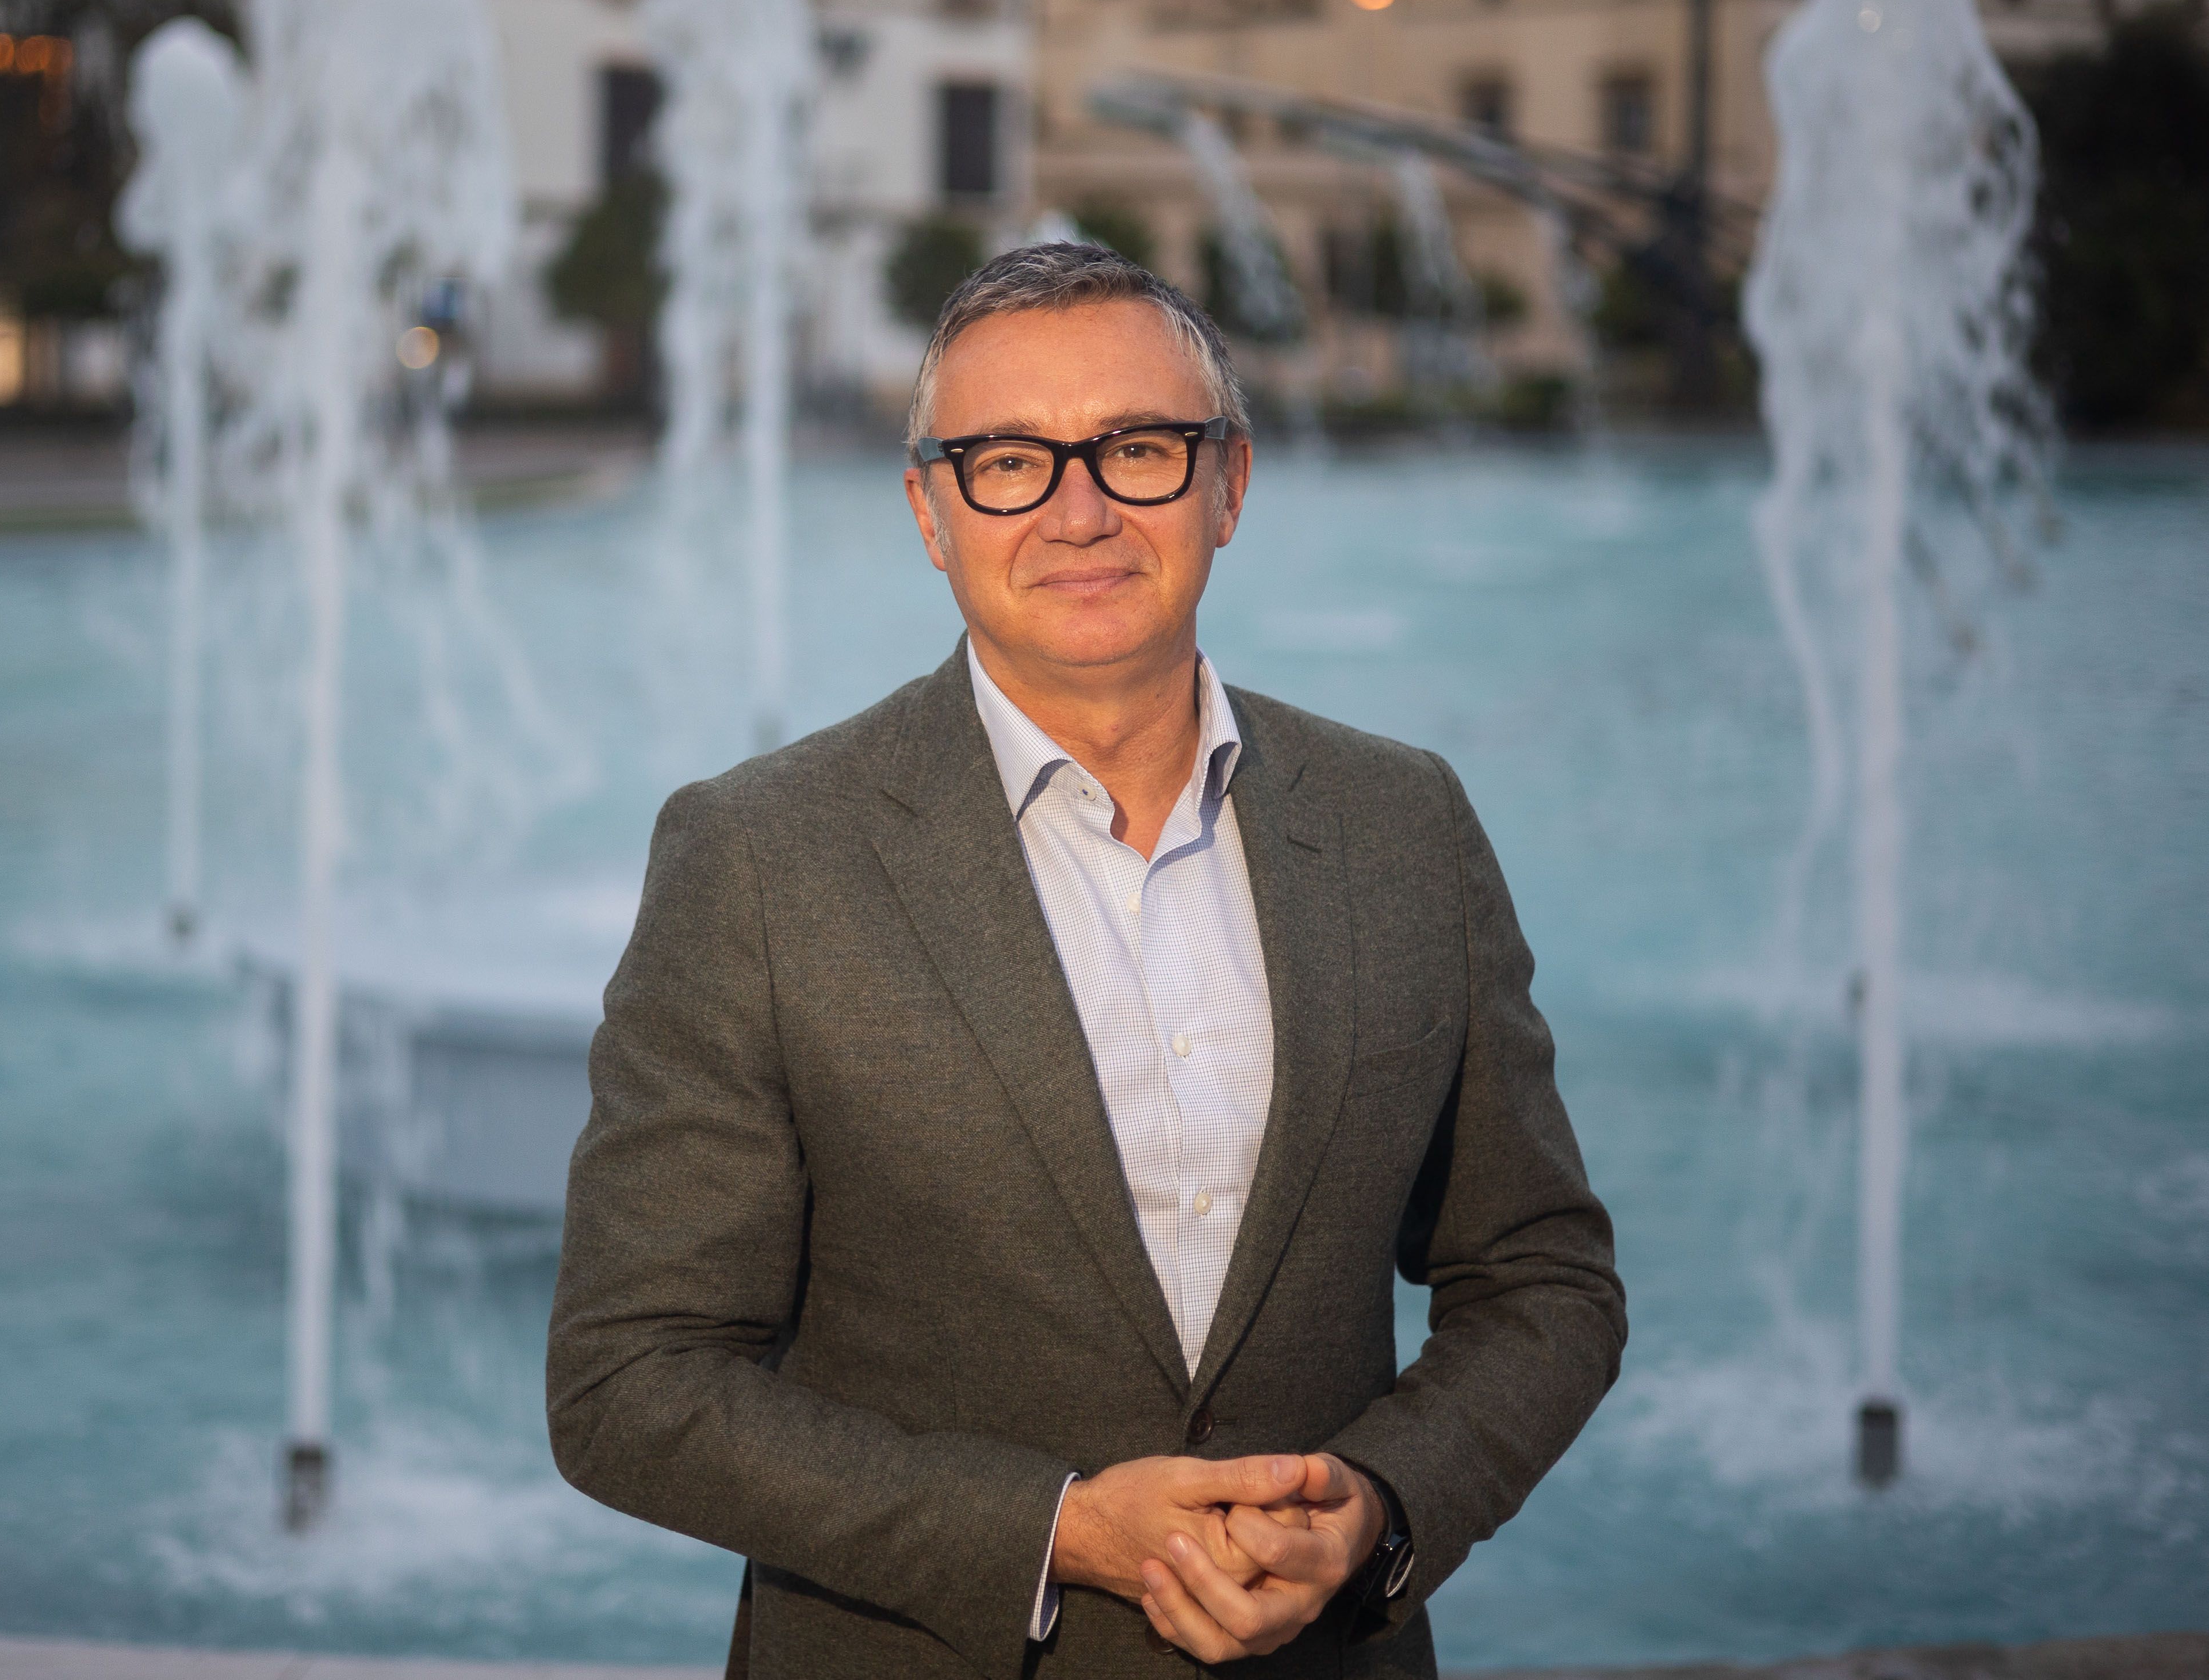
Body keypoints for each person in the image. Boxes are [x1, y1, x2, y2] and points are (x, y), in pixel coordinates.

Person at [548, 244, 1623, 1678]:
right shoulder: (757, 859)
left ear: (1229, 484)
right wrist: (1048, 1529)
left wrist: (1380, 1504)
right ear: (931, 511)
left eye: (1137, 448)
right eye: (1008, 460)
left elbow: (1541, 1276)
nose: (1079, 509)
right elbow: (630, 1382)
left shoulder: (1401, 822)